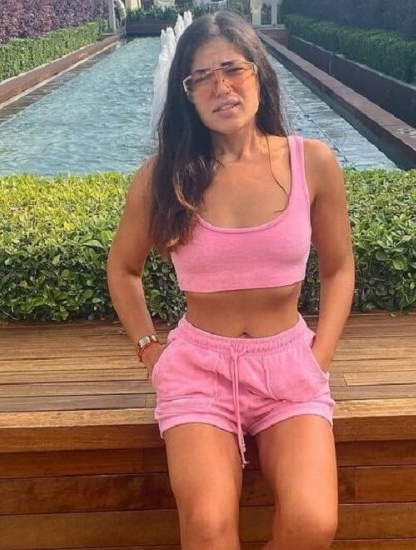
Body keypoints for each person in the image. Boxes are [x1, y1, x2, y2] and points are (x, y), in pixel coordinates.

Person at [106, 10, 354, 549]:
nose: (221, 87)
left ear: (258, 72)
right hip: (199, 371)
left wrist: (319, 358)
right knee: (208, 528)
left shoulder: (312, 163)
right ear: (187, 95)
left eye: (232, 69)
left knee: (313, 523)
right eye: (201, 77)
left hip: (289, 368)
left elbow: (339, 269)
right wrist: (150, 350)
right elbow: (123, 270)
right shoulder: (163, 176)